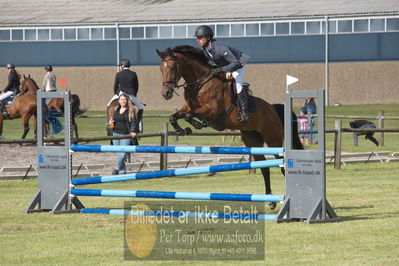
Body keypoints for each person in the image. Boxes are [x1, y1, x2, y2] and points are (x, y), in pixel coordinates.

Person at [194, 25, 250, 123]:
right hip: (228, 65)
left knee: (237, 85)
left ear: (208, 37)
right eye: (197, 38)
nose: (197, 40)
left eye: (200, 37)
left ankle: (244, 114)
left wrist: (222, 70)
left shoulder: (220, 47)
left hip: (239, 63)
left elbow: (235, 63)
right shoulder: (205, 49)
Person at [108, 93, 139, 175]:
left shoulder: (131, 110)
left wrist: (133, 131)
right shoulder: (116, 110)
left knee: (122, 154)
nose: (123, 101)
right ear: (119, 101)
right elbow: (113, 121)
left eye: (125, 100)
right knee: (119, 155)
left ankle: (116, 169)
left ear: (127, 101)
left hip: (125, 135)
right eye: (121, 99)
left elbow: (133, 122)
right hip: (115, 134)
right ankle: (122, 172)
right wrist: (110, 123)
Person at [109, 59, 143, 131]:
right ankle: (137, 125)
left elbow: (115, 85)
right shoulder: (133, 74)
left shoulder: (118, 74)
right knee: (140, 108)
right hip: (130, 94)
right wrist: (135, 94)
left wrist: (116, 94)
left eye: (120, 65)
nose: (120, 67)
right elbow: (136, 86)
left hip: (119, 93)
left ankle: (109, 123)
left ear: (123, 66)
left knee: (109, 105)